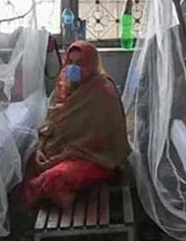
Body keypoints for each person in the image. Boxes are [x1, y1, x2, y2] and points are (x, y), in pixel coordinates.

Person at [20, 41, 130, 208]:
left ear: (92, 64)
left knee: (54, 177)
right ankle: (67, 194)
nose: (73, 68)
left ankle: (71, 198)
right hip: (60, 150)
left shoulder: (103, 91)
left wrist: (65, 155)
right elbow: (50, 122)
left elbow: (104, 142)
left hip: (94, 158)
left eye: (80, 63)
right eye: (70, 62)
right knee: (30, 162)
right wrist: (41, 149)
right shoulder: (64, 86)